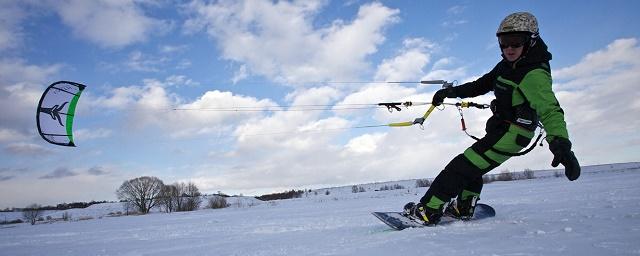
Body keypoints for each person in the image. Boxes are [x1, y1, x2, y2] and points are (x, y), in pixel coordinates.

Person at [404, 12, 581, 225]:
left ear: (531, 40)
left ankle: (427, 211)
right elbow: (481, 84)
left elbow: (550, 110)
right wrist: (450, 93)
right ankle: (463, 207)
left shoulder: (534, 73)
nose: (509, 48)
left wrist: (561, 143)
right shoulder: (506, 66)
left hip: (513, 133)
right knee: (473, 166)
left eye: (516, 42)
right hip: (502, 130)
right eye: (504, 42)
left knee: (461, 166)